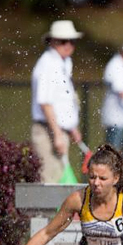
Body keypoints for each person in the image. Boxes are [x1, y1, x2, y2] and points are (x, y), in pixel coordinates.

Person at [31, 20, 84, 183]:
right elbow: (45, 102)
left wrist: (71, 128)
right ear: (52, 42)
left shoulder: (63, 63)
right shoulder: (48, 64)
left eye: (71, 41)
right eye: (63, 41)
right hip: (48, 131)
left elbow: (62, 100)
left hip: (58, 131)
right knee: (49, 181)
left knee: (59, 179)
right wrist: (58, 134)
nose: (68, 45)